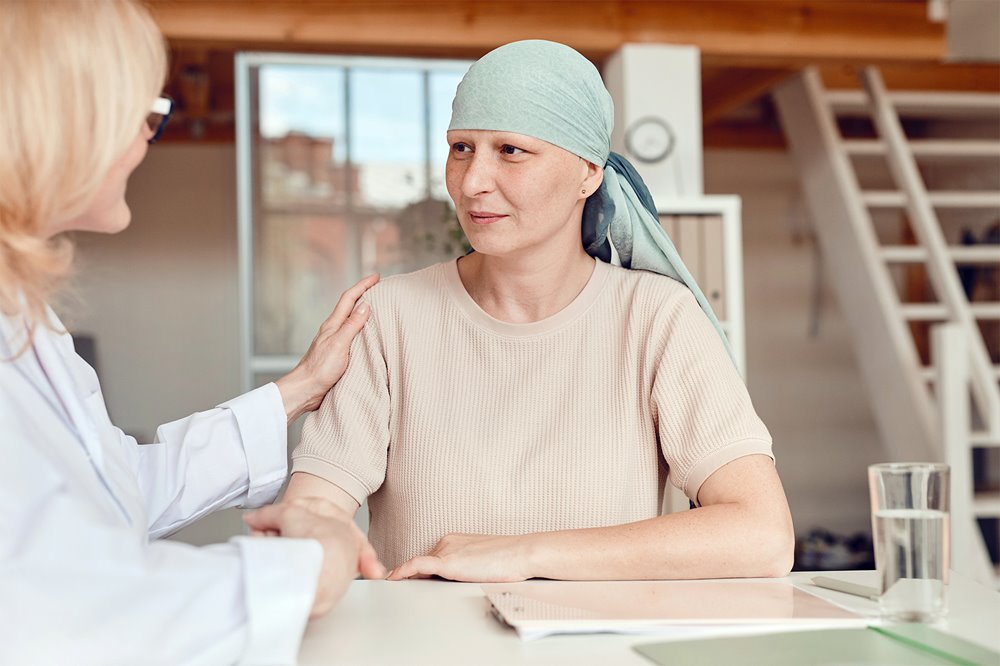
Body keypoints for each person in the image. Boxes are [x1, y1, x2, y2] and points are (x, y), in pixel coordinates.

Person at [282, 40, 795, 582]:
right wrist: (315, 539)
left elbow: (762, 535)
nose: (473, 181)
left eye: (510, 150)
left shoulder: (657, 319)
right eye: (461, 148)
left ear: (588, 174)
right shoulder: (387, 317)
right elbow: (317, 505)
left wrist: (525, 554)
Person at [0, 1, 383, 664]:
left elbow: (116, 492)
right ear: (62, 120)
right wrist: (313, 566)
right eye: (141, 109)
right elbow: (62, 614)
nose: (151, 132)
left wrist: (297, 389)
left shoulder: (26, 319)